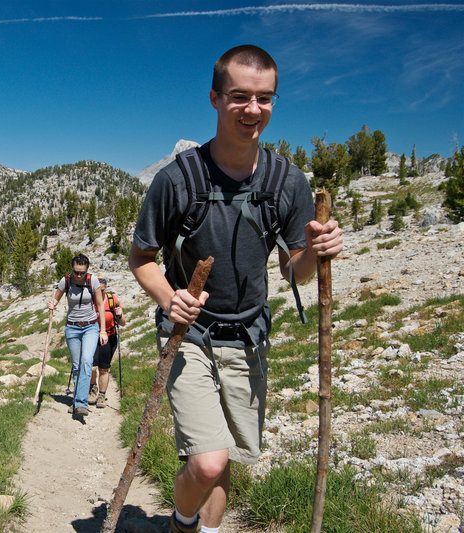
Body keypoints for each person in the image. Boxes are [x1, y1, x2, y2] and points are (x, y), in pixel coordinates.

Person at [128, 45, 343, 533]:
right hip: (190, 336)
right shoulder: (177, 180)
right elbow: (141, 258)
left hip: (249, 338)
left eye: (264, 98)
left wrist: (317, 249)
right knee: (207, 462)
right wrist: (170, 299)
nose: (253, 110)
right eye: (240, 97)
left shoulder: (286, 181)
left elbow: (296, 270)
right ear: (214, 98)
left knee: (227, 458)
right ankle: (182, 523)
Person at [48, 254, 108, 417]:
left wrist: (103, 330)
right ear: (72, 269)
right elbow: (56, 298)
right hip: (72, 328)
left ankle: (81, 403)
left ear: (87, 270)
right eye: (76, 272)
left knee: (87, 361)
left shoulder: (93, 281)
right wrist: (53, 303)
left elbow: (100, 305)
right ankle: (77, 400)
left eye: (82, 272)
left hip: (90, 327)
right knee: (76, 366)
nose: (79, 275)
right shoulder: (66, 280)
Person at [88, 278, 126, 409]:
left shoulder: (112, 300)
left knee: (104, 368)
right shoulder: (90, 300)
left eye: (102, 290)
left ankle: (101, 395)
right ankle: (92, 389)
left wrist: (120, 315)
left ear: (106, 288)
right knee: (92, 366)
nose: (99, 292)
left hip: (109, 336)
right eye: (97, 290)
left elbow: (122, 323)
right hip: (92, 336)